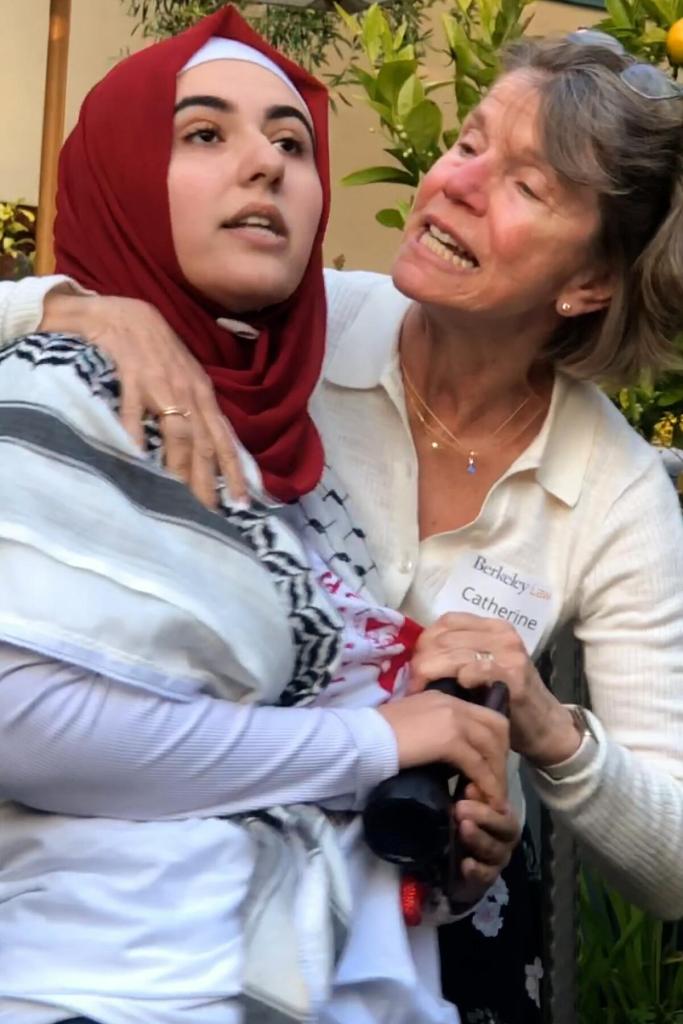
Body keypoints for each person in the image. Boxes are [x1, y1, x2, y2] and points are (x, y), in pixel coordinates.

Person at [3, 27, 683, 1024]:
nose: (454, 182)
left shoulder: (615, 492)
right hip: (147, 896)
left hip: (412, 912)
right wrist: (72, 305)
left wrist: (542, 734)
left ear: (586, 286)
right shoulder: (275, 322)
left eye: (524, 186)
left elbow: (671, 863)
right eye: (466, 143)